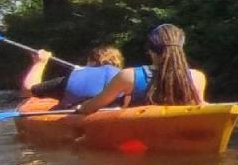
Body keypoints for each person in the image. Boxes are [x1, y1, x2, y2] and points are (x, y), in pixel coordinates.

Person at [74, 24, 208, 113]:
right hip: (179, 139)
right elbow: (200, 105)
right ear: (181, 47)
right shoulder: (197, 77)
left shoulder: (128, 76)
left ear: (150, 50)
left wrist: (80, 107)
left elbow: (93, 106)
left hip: (136, 144)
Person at [19, 46, 125, 109]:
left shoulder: (74, 78)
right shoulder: (126, 77)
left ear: (90, 62)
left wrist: (40, 63)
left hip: (79, 117)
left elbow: (28, 90)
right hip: (117, 115)